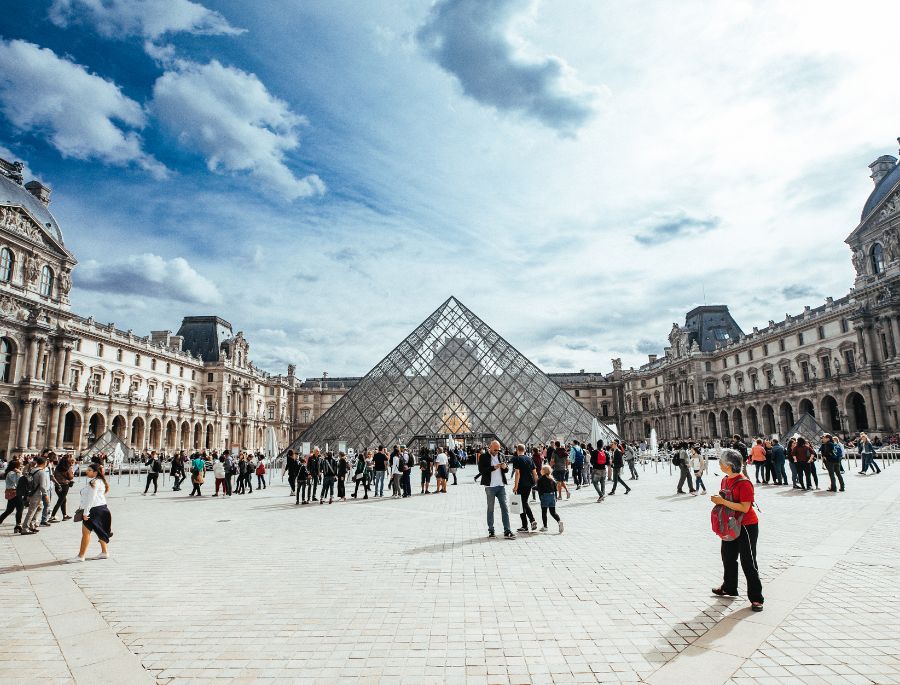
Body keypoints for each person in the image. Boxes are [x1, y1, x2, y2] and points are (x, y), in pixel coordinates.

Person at [710, 448, 763, 612]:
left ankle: (756, 598)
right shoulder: (725, 480)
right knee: (728, 557)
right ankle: (729, 587)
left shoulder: (744, 483)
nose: (719, 464)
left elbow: (745, 508)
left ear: (728, 465)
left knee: (748, 561)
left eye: (721, 462)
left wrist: (722, 502)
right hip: (730, 524)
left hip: (746, 525)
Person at [67, 462, 112, 563]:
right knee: (98, 530)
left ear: (95, 472)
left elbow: (91, 499)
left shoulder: (94, 482)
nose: (86, 471)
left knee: (86, 533)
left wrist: (86, 512)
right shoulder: (99, 481)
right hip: (101, 508)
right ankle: (104, 552)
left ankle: (81, 556)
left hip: (93, 509)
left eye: (89, 470)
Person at [478, 440, 514, 539]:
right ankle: (491, 530)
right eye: (495, 449)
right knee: (490, 509)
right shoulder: (483, 457)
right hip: (490, 487)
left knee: (505, 508)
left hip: (501, 485)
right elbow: (481, 470)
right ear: (490, 447)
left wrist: (504, 467)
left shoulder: (501, 455)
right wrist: (493, 467)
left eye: (498, 449)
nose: (497, 451)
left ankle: (507, 530)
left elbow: (506, 470)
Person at [511, 444, 537, 532]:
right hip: (529, 484)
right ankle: (525, 525)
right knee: (523, 503)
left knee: (522, 503)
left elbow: (517, 473)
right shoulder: (529, 459)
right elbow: (534, 472)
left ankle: (530, 521)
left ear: (517, 450)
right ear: (525, 450)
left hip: (521, 484)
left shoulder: (517, 459)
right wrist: (537, 483)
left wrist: (515, 486)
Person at [22, 456, 50, 533]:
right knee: (31, 511)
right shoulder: (42, 472)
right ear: (44, 463)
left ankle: (32, 525)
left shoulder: (32, 470)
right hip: (37, 494)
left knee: (39, 508)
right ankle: (25, 528)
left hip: (31, 492)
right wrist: (46, 495)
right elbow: (42, 486)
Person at [536, 465, 563, 533]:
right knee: (553, 512)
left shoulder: (541, 479)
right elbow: (555, 490)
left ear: (544, 471)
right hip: (552, 496)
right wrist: (555, 498)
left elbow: (539, 488)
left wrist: (539, 495)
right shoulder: (552, 479)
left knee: (544, 512)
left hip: (544, 496)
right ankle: (559, 521)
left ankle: (545, 526)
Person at [0, 458, 24, 532]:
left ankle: (17, 525)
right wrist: (20, 472)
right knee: (19, 509)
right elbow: (18, 481)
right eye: (19, 465)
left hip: (14, 493)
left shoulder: (12, 472)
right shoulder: (11, 473)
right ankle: (18, 525)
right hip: (14, 493)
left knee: (10, 510)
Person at [49, 455, 74, 521]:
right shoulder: (68, 468)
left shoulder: (57, 467)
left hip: (57, 486)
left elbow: (54, 475)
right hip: (65, 485)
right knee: (60, 501)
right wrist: (72, 471)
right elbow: (71, 477)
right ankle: (52, 516)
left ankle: (64, 515)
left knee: (63, 500)